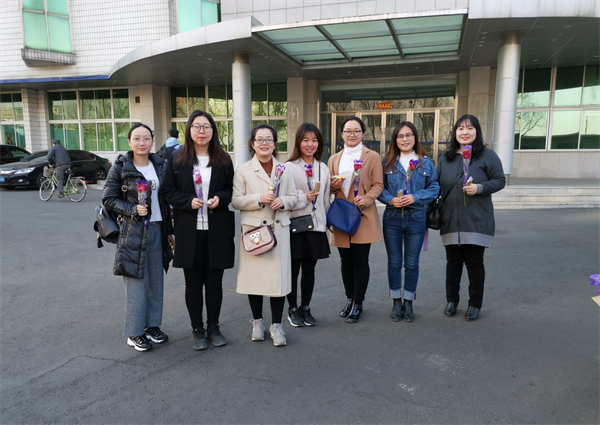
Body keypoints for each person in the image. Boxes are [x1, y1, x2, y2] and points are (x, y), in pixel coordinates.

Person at [162, 110, 235, 350]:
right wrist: (187, 201)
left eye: (206, 126)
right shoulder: (177, 158)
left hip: (217, 230)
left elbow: (230, 190)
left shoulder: (223, 159)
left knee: (214, 283)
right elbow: (167, 191)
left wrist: (219, 198)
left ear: (213, 131)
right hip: (189, 231)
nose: (201, 131)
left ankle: (213, 327)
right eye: (196, 126)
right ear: (189, 130)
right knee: (193, 284)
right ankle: (197, 329)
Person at [102, 123, 174, 352]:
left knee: (156, 281)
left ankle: (152, 326)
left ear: (152, 141)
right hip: (133, 231)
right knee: (136, 282)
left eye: (146, 138)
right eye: (137, 138)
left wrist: (170, 230)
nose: (142, 143)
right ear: (129, 142)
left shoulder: (160, 165)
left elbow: (166, 200)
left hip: (158, 228)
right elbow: (108, 199)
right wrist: (133, 209)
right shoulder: (121, 168)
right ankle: (134, 332)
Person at [232, 123, 299, 347]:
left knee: (277, 281)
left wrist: (284, 201)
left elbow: (295, 197)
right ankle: (257, 323)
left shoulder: (285, 169)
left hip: (278, 228)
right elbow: (236, 201)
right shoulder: (243, 169)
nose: (264, 143)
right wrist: (259, 198)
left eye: (269, 139)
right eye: (259, 139)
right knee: (255, 279)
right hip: (255, 231)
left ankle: (277, 325)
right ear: (252, 144)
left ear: (274, 143)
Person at [437, 114, 506, 321]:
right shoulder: (446, 157)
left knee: (474, 263)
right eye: (460, 128)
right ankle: (452, 300)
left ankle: (474, 304)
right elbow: (435, 183)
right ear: (455, 132)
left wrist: (480, 188)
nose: (465, 132)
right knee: (453, 263)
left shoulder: (487, 155)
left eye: (470, 128)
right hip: (450, 220)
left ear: (477, 131)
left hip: (477, 220)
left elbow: (500, 180)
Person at [378, 121, 439, 322]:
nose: (405, 139)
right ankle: (396, 301)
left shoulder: (425, 163)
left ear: (415, 137)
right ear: (395, 139)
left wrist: (416, 197)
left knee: (412, 263)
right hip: (392, 218)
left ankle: (409, 302)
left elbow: (434, 188)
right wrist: (390, 199)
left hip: (416, 218)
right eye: (400, 136)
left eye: (409, 135)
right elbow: (379, 188)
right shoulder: (386, 163)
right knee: (394, 262)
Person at [328, 117, 384, 323]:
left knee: (360, 261)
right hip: (341, 215)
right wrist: (332, 187)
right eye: (348, 131)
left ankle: (358, 303)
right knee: (345, 261)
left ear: (362, 133)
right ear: (342, 134)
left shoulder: (372, 156)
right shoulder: (334, 159)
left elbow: (378, 184)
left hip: (362, 214)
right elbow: (329, 187)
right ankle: (349, 299)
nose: (352, 134)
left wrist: (367, 198)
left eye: (356, 131)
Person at [285, 123, 331, 327]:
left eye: (314, 140)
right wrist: (304, 198)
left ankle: (306, 307)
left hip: (316, 226)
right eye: (305, 140)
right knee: (293, 270)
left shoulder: (323, 168)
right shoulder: (289, 167)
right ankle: (293, 308)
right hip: (295, 226)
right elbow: (286, 197)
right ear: (298, 142)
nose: (310, 144)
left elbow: (326, 200)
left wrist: (325, 221)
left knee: (310, 270)